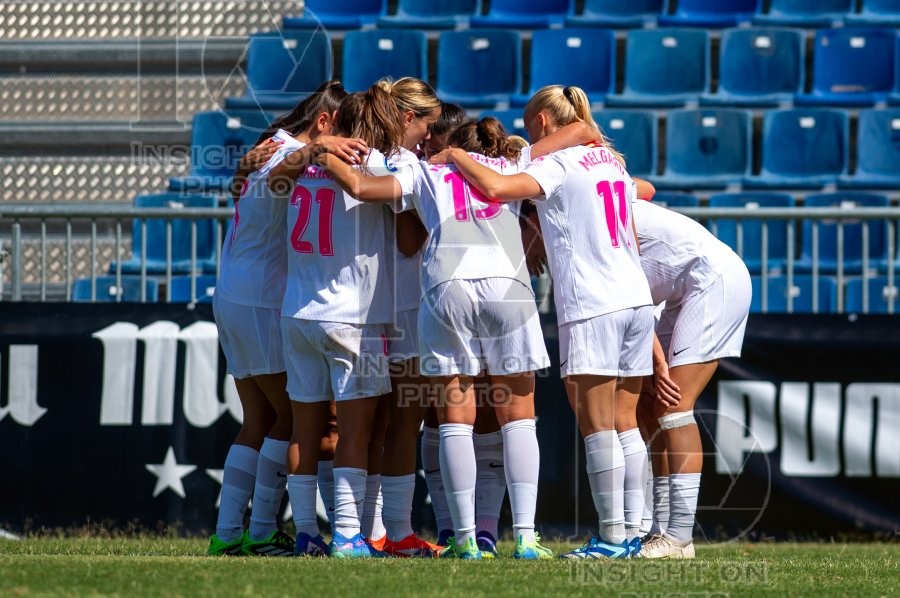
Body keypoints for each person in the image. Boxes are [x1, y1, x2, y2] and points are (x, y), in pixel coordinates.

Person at [317, 115, 573, 560]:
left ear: (449, 142)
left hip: (446, 284)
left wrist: (321, 152)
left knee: (456, 416)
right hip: (506, 283)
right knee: (519, 416)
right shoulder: (512, 163)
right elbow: (572, 137)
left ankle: (466, 539)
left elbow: (360, 188)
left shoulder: (424, 169)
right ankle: (528, 538)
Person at [428, 85, 655, 560]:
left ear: (545, 124)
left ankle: (613, 539)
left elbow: (494, 188)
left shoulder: (554, 163)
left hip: (596, 301)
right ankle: (637, 531)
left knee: (598, 426)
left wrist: (453, 154)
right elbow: (640, 193)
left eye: (531, 127)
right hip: (636, 296)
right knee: (626, 424)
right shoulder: (609, 161)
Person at [208, 81, 361, 557]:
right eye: (343, 130)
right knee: (296, 416)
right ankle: (260, 530)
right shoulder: (288, 150)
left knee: (260, 417)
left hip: (234, 293)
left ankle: (229, 533)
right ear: (323, 122)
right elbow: (286, 170)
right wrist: (316, 148)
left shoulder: (268, 146)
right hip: (258, 299)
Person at [269, 85, 403, 559]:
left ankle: (307, 533)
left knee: (304, 430)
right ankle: (348, 534)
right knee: (355, 432)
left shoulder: (305, 163)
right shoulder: (375, 164)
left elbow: (267, 180)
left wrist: (316, 149)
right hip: (352, 318)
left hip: (298, 312)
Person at [631, 189, 752, 560]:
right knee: (650, 407)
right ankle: (660, 530)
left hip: (712, 280)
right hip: (683, 290)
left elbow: (628, 300)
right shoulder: (590, 195)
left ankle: (680, 537)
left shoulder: (586, 213)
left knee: (673, 406)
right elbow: (647, 188)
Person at [370, 77, 443, 558]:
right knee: (402, 423)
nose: (430, 138)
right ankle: (394, 531)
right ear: (406, 118)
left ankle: (369, 528)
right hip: (405, 308)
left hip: (371, 306)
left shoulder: (367, 156)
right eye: (426, 127)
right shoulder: (404, 162)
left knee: (370, 423)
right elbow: (408, 238)